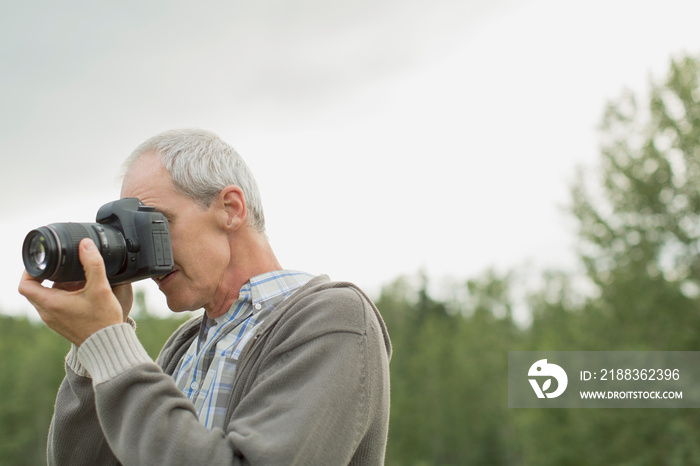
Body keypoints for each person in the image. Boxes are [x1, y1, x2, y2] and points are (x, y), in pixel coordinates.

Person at [18, 128, 392, 465]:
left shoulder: (334, 318)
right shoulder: (184, 346)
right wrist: (93, 348)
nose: (148, 256)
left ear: (230, 209)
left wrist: (110, 345)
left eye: (156, 226)